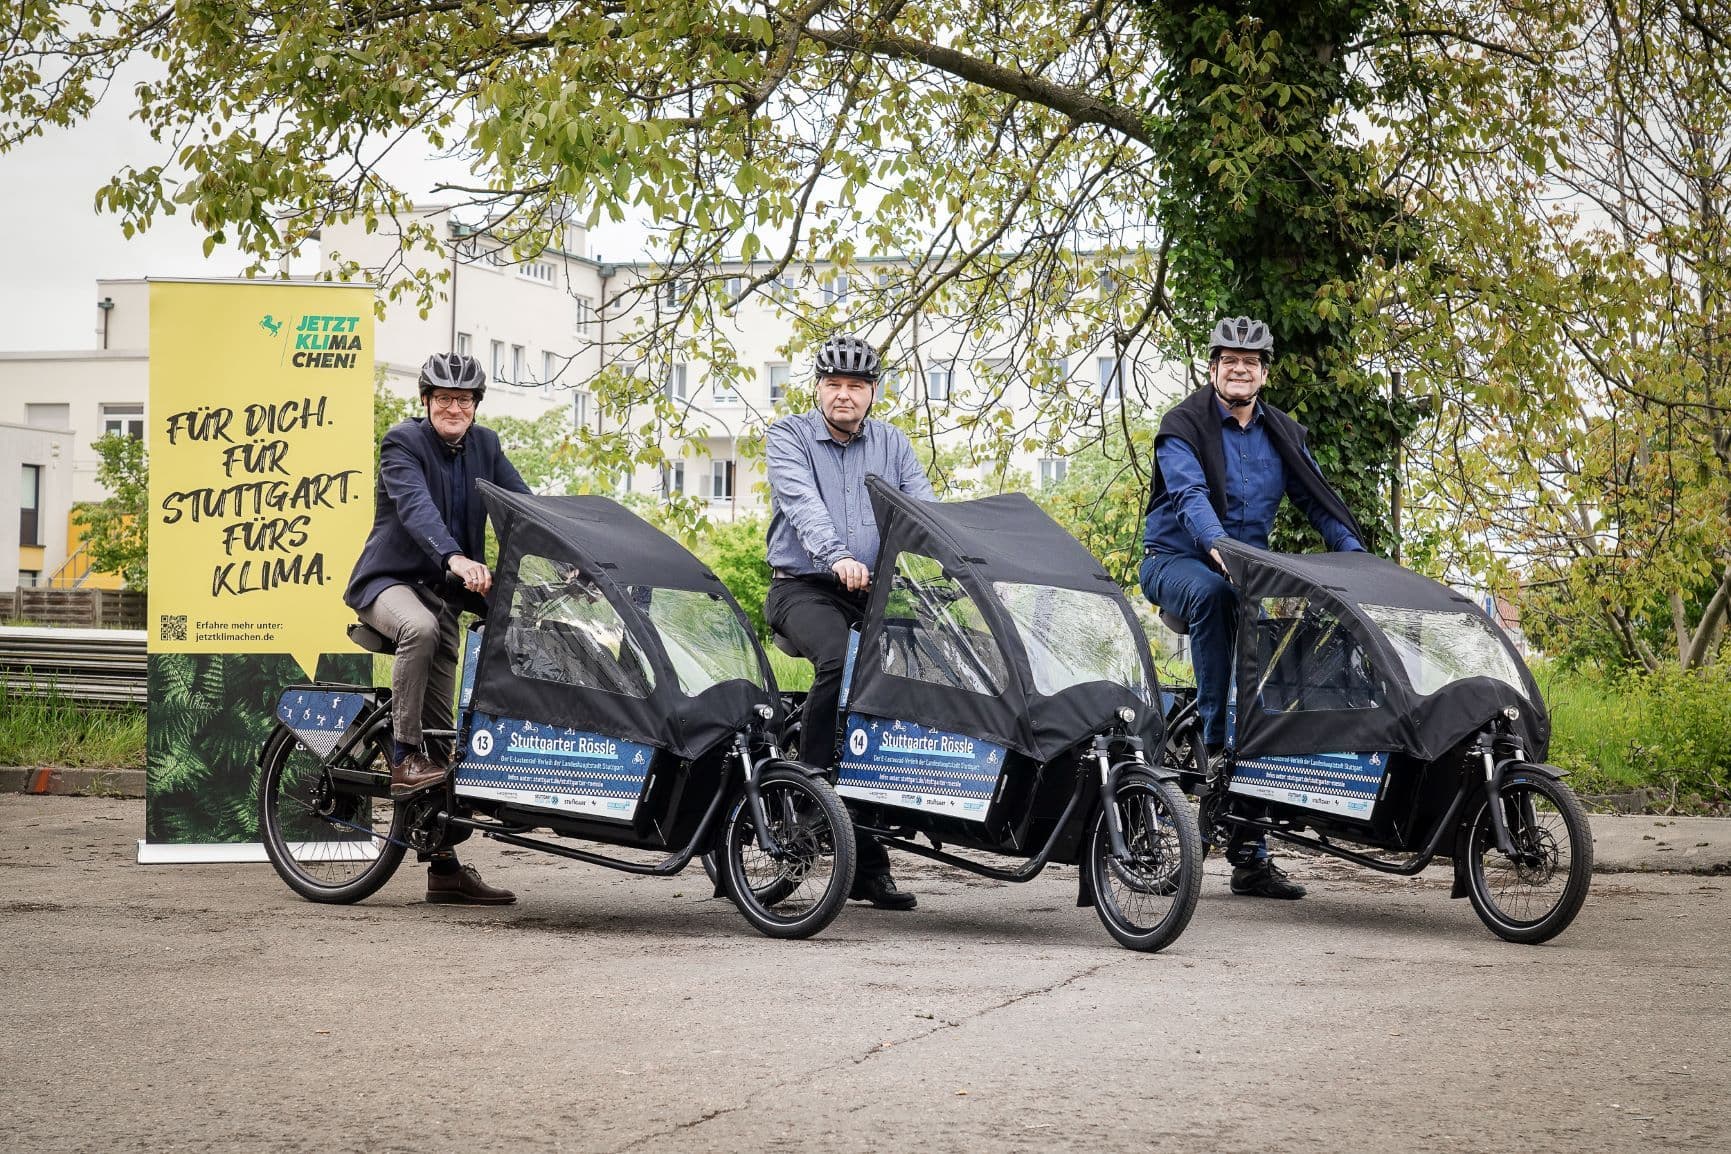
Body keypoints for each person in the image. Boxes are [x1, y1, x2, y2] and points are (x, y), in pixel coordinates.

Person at [1140, 316, 1368, 901]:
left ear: (1264, 372)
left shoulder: (1284, 433)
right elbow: (1189, 496)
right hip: (1179, 560)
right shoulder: (1182, 425)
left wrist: (1356, 557)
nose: (1239, 368)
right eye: (1228, 359)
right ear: (1212, 366)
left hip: (1251, 572)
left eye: (1251, 361)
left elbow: (1320, 505)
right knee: (1216, 598)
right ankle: (1214, 737)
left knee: (1272, 694)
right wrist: (1217, 546)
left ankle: (1250, 857)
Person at [344, 353, 531, 905]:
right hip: (390, 584)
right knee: (420, 631)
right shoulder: (402, 444)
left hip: (447, 593)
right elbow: (416, 508)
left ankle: (443, 869)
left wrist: (565, 553)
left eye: (464, 400)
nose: (454, 407)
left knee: (445, 739)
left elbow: (519, 506)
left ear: (475, 406)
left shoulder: (486, 447)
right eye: (444, 398)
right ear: (426, 402)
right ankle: (401, 758)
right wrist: (454, 557)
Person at [765, 334, 936, 911]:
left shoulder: (893, 444)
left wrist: (950, 560)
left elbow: (922, 511)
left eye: (856, 386)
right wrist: (837, 554)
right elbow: (801, 503)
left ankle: (870, 863)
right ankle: (810, 792)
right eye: (834, 384)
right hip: (803, 588)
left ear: (872, 393)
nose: (844, 395)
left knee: (891, 697)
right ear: (817, 388)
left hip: (872, 593)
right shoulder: (789, 436)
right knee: (839, 660)